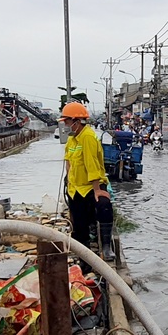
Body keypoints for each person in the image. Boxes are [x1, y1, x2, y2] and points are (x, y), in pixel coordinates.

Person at [60, 102, 115, 262]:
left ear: (76, 121)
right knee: (79, 226)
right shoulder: (72, 140)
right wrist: (69, 179)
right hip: (75, 189)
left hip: (91, 186)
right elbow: (68, 162)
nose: (65, 124)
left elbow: (92, 165)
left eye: (67, 121)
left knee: (104, 206)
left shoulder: (88, 137)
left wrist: (97, 189)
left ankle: (106, 247)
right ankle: (84, 259)